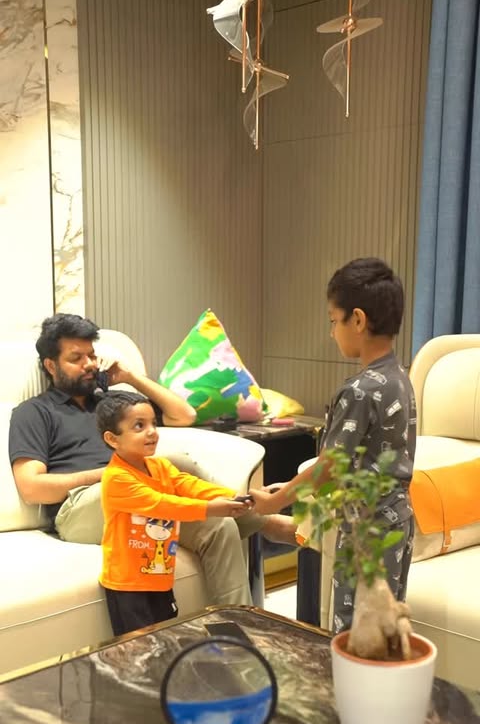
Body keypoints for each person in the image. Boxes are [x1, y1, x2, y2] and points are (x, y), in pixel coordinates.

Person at [9, 314, 296, 607]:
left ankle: (238, 623)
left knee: (218, 526)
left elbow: (184, 415)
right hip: (80, 509)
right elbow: (32, 488)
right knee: (172, 463)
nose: (90, 364)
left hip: (138, 497)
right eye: (76, 358)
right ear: (51, 365)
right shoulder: (34, 412)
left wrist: (132, 378)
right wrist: (111, 474)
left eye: (92, 355)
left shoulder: (112, 405)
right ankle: (268, 520)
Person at [249, 257, 417, 633]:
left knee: (353, 632)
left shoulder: (359, 390)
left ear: (357, 320)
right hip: (399, 522)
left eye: (333, 320)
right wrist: (292, 487)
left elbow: (329, 468)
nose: (331, 332)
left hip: (365, 530)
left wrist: (276, 501)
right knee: (384, 624)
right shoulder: (400, 378)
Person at [96, 391, 254, 636]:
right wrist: (212, 509)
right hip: (127, 586)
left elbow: (190, 485)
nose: (152, 432)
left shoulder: (160, 466)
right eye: (139, 426)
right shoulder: (116, 478)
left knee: (168, 640)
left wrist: (235, 496)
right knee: (139, 650)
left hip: (160, 577)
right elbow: (164, 504)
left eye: (153, 423)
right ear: (112, 439)